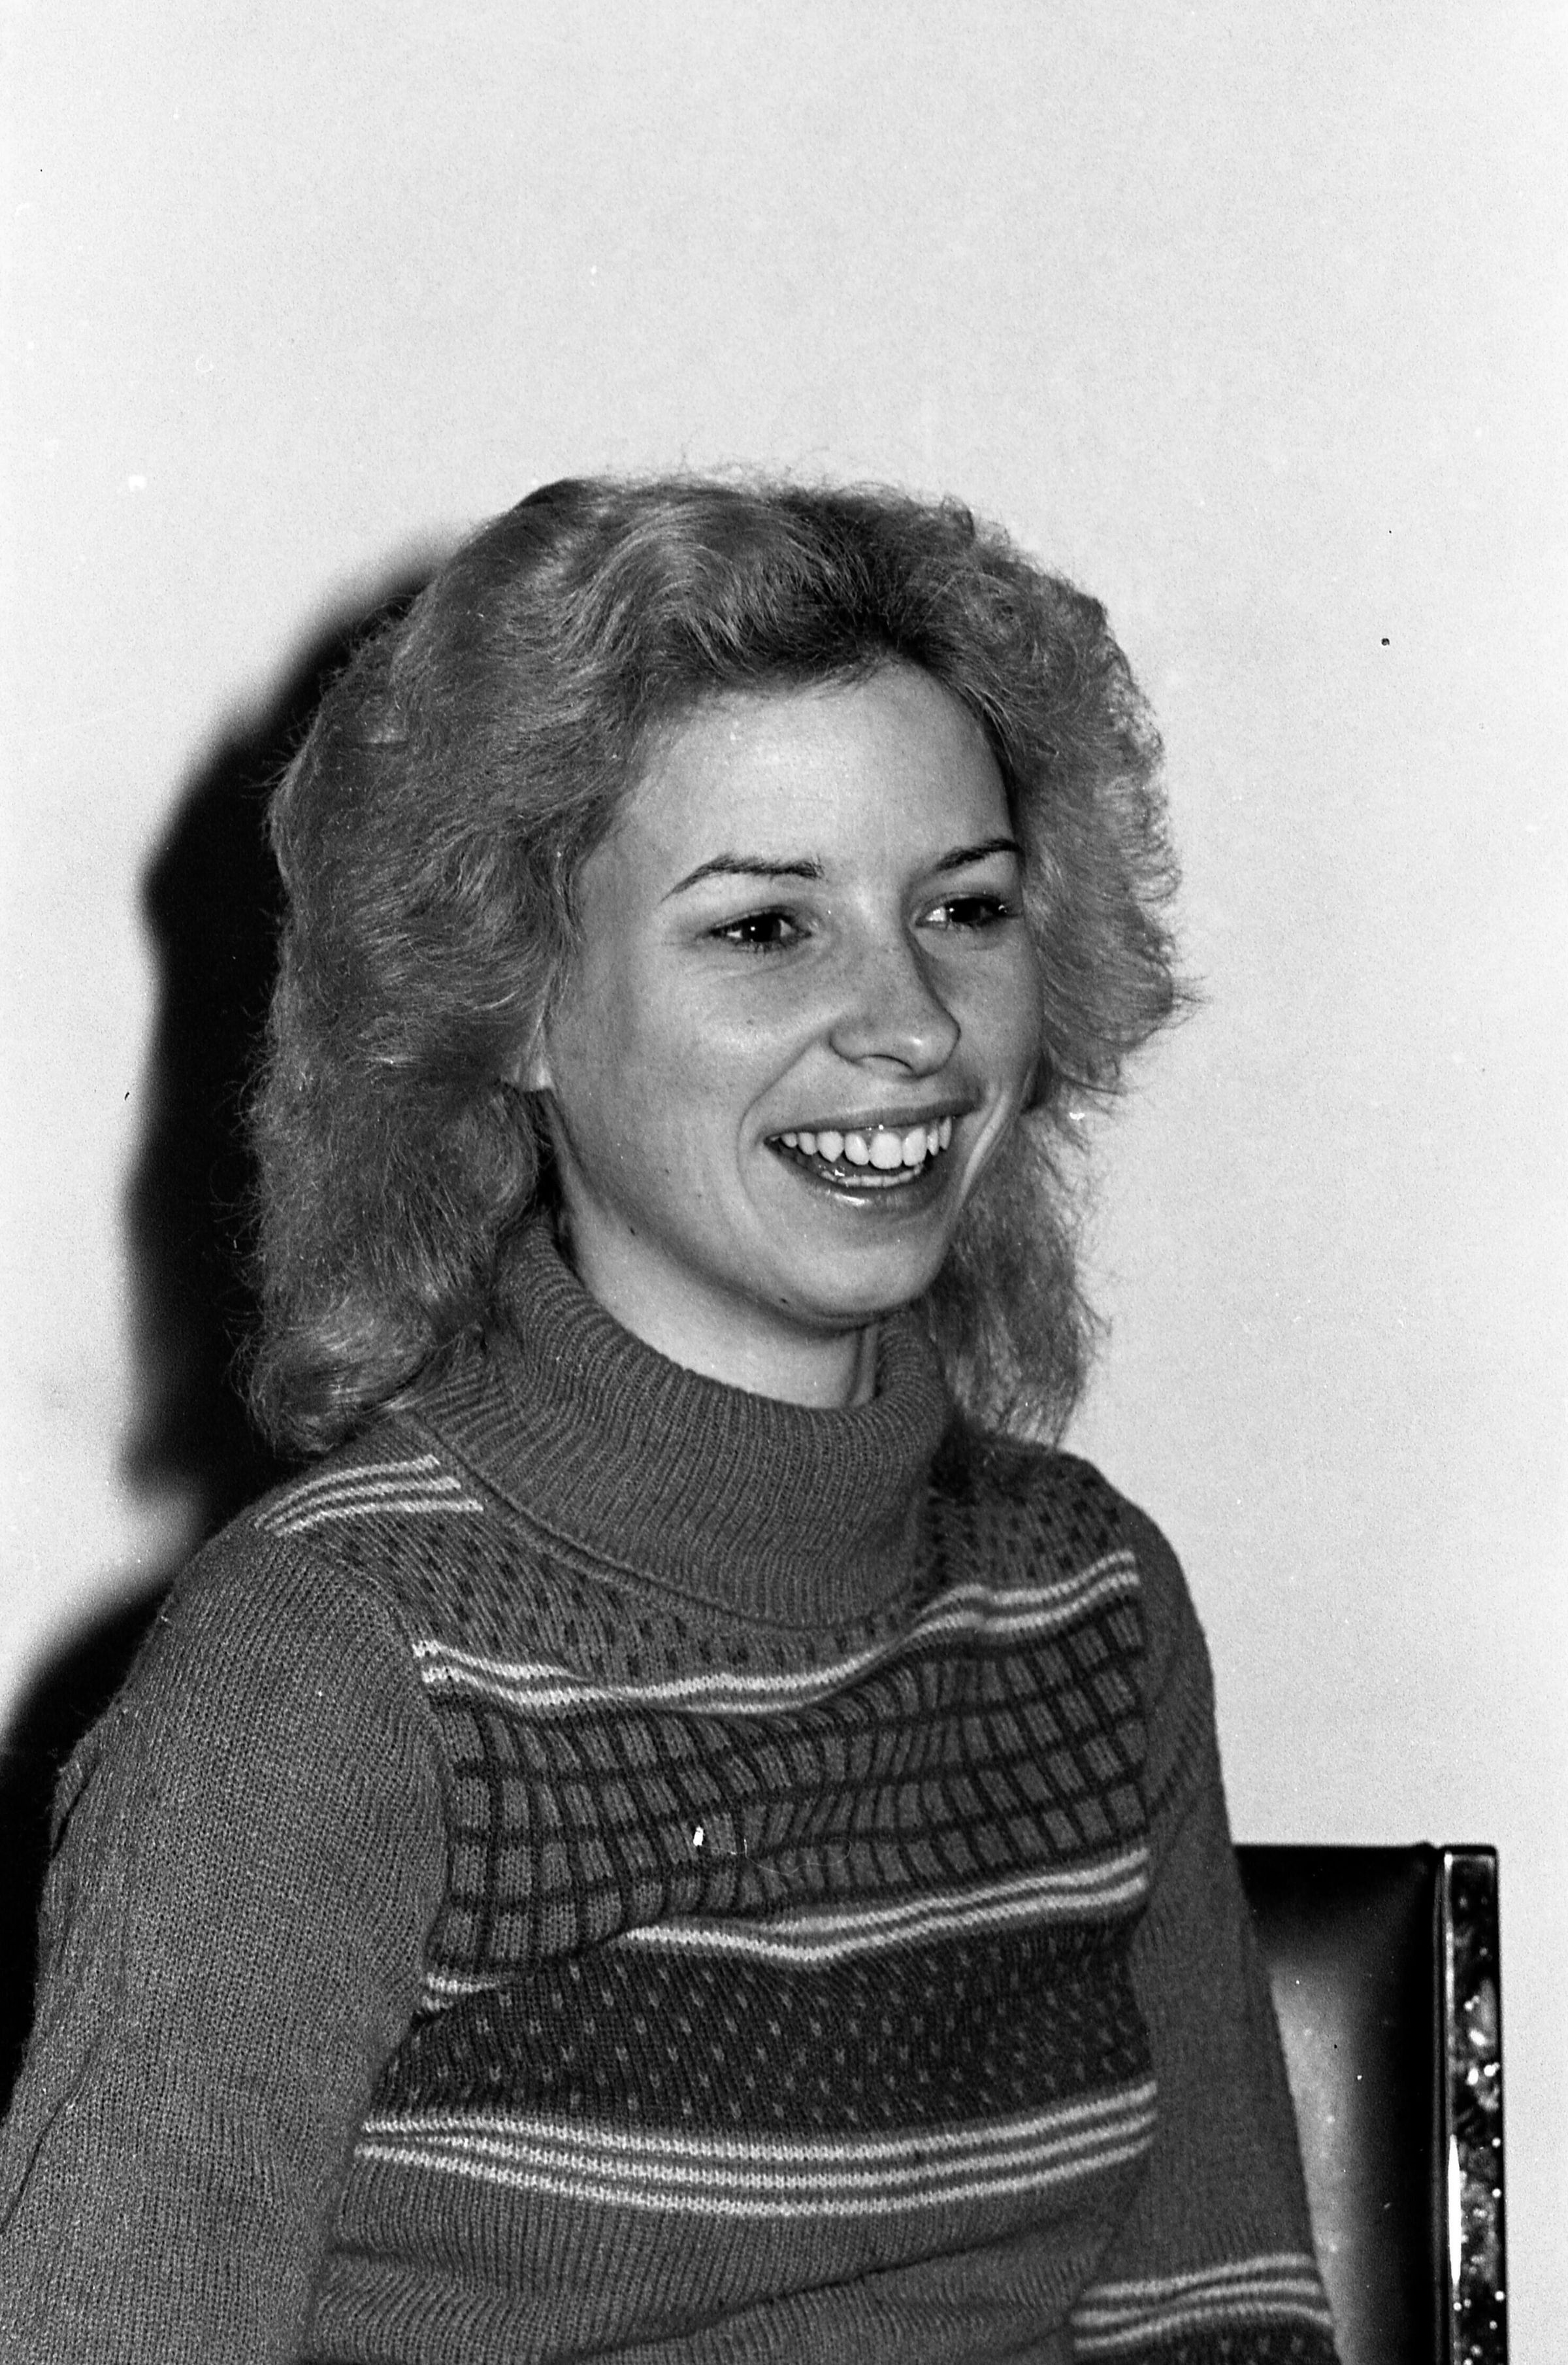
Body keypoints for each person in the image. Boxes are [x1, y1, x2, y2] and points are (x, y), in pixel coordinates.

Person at [0, 477, 1338, 2363]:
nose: (912, 1023)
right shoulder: (327, 1669)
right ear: (517, 1002)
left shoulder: (1091, 1605)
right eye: (768, 927)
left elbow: (1219, 2311)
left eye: (964, 908)